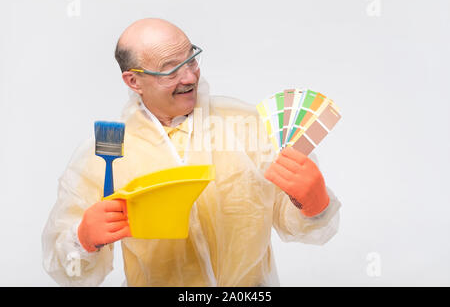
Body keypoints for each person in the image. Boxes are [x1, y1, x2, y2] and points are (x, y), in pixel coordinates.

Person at [42, 18, 341, 287]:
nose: (189, 77)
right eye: (171, 69)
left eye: (192, 60)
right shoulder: (105, 154)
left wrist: (314, 206)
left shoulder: (248, 124)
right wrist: (81, 241)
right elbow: (66, 270)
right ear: (134, 81)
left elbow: (306, 228)